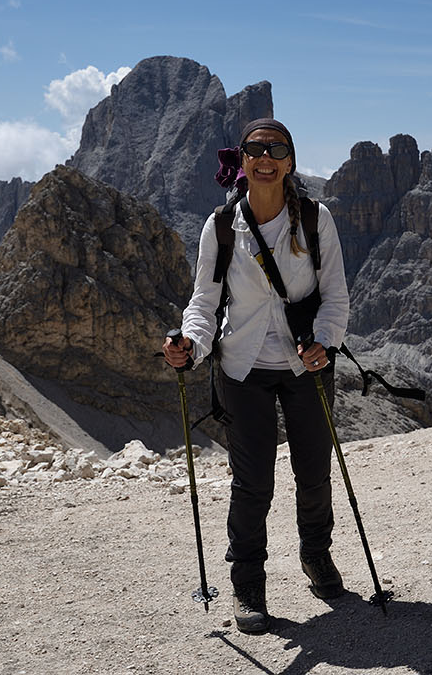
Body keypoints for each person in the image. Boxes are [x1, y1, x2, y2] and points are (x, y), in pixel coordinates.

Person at [162, 117, 350, 633]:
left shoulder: (315, 219)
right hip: (241, 368)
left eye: (277, 149)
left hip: (305, 364)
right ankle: (248, 585)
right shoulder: (221, 226)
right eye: (255, 150)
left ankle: (317, 556)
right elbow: (204, 302)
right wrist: (190, 345)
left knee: (313, 472)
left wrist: (326, 344)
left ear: (290, 162)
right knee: (252, 483)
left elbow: (335, 295)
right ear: (241, 161)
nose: (266, 158)